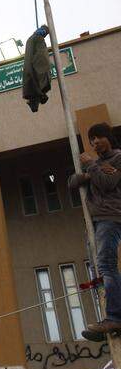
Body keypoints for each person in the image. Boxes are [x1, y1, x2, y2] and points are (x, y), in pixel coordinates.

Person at [69, 123, 121, 335]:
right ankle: (112, 321)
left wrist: (92, 168)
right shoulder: (99, 163)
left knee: (107, 266)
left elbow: (108, 183)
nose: (94, 142)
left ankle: (115, 318)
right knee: (100, 267)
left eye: (99, 137)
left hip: (111, 217)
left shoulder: (118, 158)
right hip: (96, 221)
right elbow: (72, 182)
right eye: (92, 139)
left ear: (108, 137)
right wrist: (92, 172)